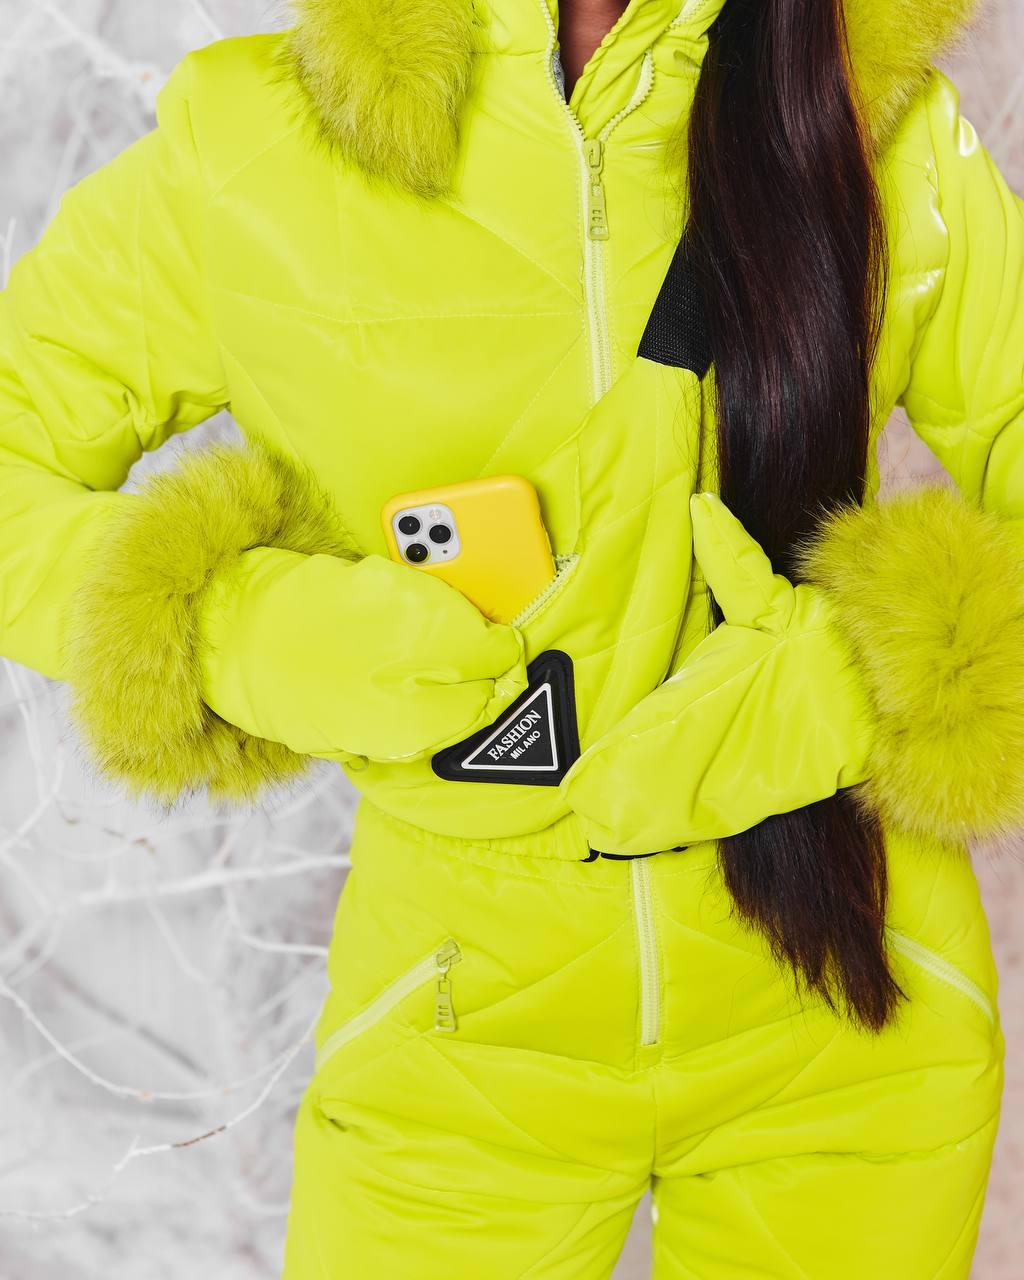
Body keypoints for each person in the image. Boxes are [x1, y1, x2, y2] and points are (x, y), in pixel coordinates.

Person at [1, 0, 1022, 1273]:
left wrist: (866, 673)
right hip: (454, 1036)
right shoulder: (250, 147)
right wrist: (237, 630)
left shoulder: (873, 118)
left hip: (853, 998)